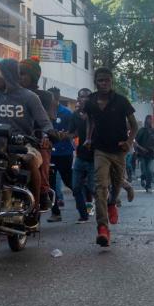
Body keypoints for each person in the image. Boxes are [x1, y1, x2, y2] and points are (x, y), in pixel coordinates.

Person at [0, 59, 55, 228]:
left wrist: (49, 133)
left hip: (24, 145)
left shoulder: (30, 97)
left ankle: (34, 208)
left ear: (9, 76)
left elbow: (45, 123)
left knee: (31, 161)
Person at [83, 67, 138, 248]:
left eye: (107, 80)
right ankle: (103, 229)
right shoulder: (90, 101)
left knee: (116, 184)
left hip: (119, 150)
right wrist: (89, 138)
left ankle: (113, 203)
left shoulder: (121, 101)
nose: (104, 83)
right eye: (100, 80)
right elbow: (90, 120)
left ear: (111, 82)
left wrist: (129, 142)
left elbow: (134, 126)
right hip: (100, 150)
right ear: (96, 82)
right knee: (100, 187)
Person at [19, 57, 55, 213]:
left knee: (42, 157)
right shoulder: (12, 93)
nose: (20, 77)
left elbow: (48, 118)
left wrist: (47, 135)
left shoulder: (44, 96)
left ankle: (42, 193)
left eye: (23, 74)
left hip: (37, 138)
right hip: (14, 138)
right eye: (18, 74)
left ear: (33, 76)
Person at [47, 87, 74, 223]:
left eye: (52, 97)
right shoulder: (43, 111)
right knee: (50, 184)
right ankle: (55, 212)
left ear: (57, 98)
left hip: (64, 152)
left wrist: (65, 135)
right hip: (48, 152)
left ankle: (83, 197)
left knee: (68, 180)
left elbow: (73, 132)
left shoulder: (67, 113)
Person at [71, 89, 96, 222]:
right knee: (75, 187)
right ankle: (83, 214)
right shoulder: (75, 115)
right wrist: (60, 135)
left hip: (94, 158)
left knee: (92, 188)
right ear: (78, 99)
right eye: (81, 97)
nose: (84, 99)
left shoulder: (98, 114)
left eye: (87, 97)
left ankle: (108, 202)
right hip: (80, 157)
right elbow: (71, 133)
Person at [134, 115, 154, 191]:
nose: (150, 121)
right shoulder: (141, 131)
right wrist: (138, 150)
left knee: (150, 170)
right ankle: (143, 179)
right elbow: (135, 142)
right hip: (142, 155)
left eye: (151, 119)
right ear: (146, 120)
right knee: (144, 170)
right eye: (149, 119)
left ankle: (148, 186)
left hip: (151, 154)